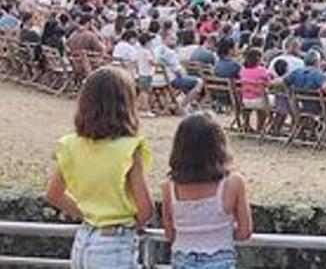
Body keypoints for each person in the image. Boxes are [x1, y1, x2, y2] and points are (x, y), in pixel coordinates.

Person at [45, 67, 154, 269]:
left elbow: (53, 194)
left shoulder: (70, 145)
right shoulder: (129, 148)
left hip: (83, 240)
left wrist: (88, 214)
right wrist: (127, 223)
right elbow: (146, 209)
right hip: (114, 243)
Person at [162, 112, 252, 268]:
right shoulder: (234, 183)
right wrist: (220, 235)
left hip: (182, 257)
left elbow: (170, 233)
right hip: (220, 256)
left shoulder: (169, 187)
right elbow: (245, 231)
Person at [239, 48, 273, 133]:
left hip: (245, 100)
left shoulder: (242, 71)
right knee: (271, 100)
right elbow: (269, 82)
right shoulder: (262, 70)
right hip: (260, 100)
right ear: (258, 59)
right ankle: (260, 127)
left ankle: (246, 125)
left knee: (262, 100)